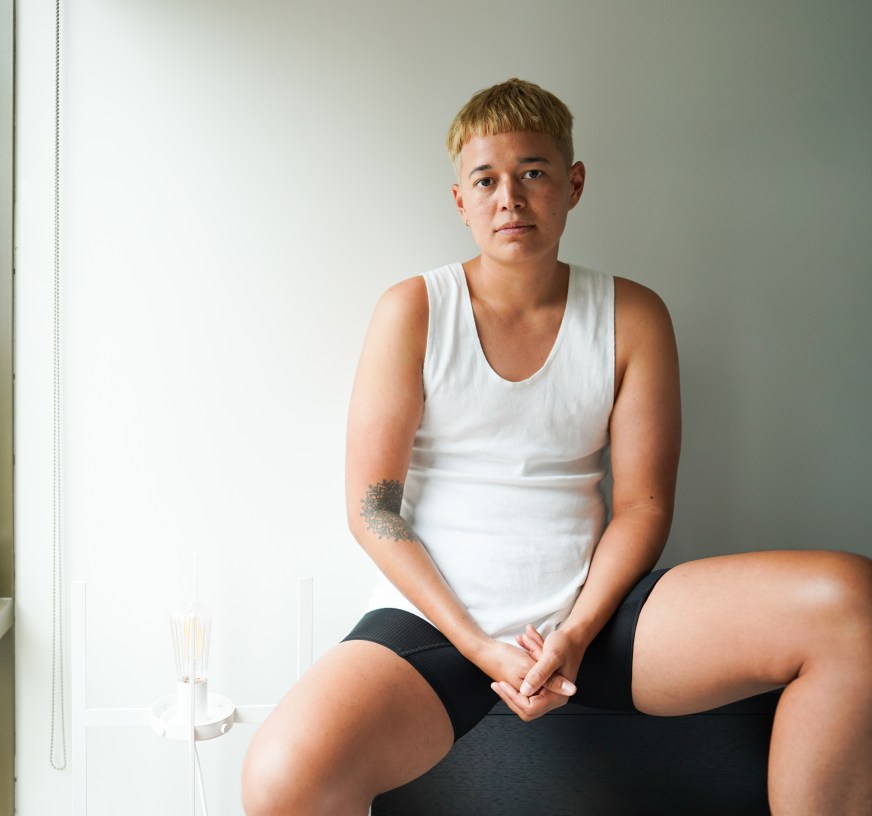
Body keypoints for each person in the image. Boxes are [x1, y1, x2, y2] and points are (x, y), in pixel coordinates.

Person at [241, 78, 872, 815]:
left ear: (572, 184)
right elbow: (372, 508)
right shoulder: (412, 309)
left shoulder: (633, 315)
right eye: (487, 180)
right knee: (279, 779)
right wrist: (478, 644)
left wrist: (573, 631)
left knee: (849, 601)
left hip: (592, 617)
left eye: (533, 173)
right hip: (440, 625)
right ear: (461, 201)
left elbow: (641, 503)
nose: (509, 197)